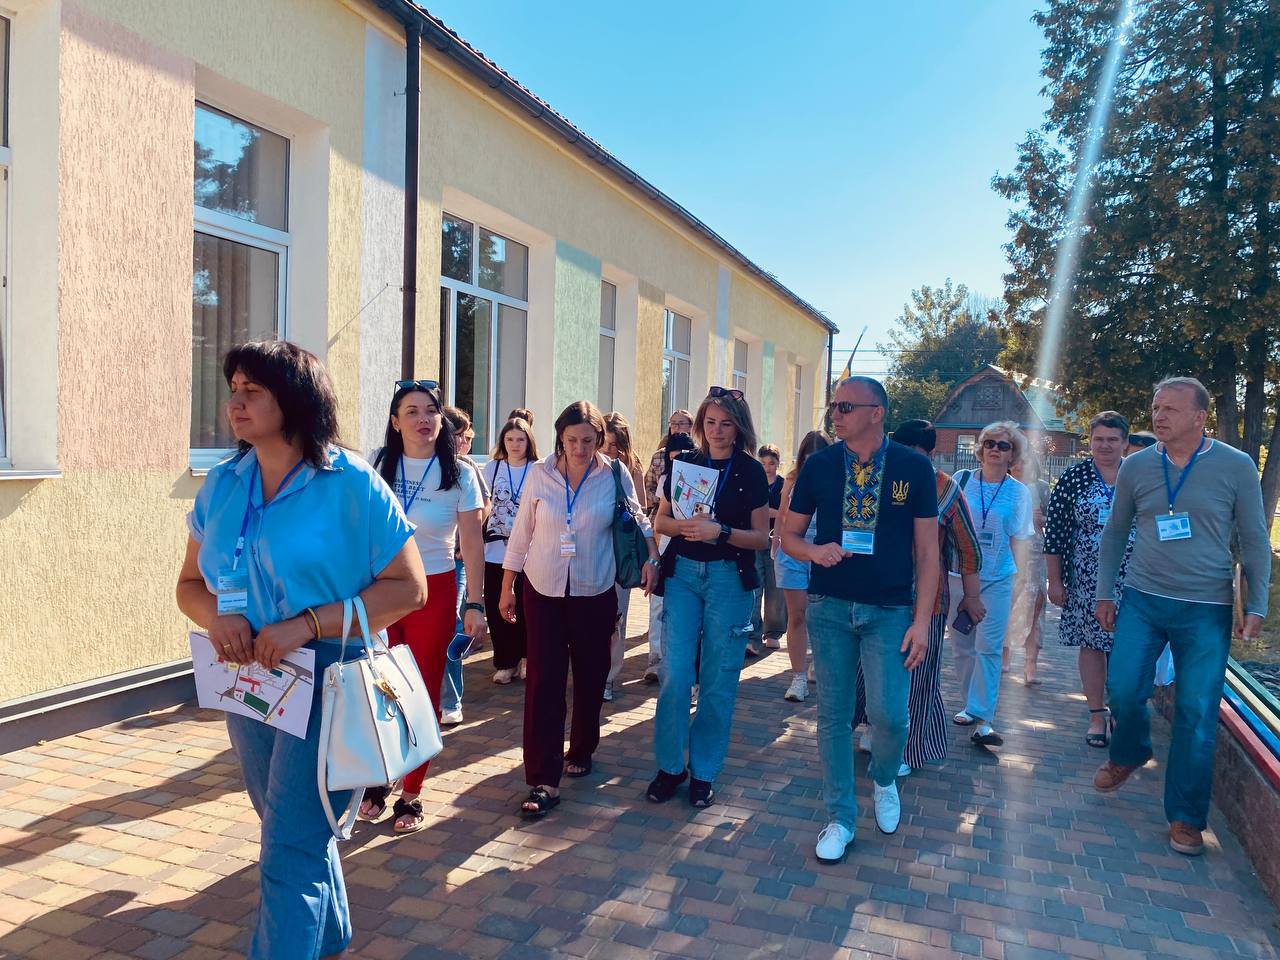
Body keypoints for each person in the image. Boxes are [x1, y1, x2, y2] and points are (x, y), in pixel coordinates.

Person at [176, 341, 428, 960]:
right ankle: (331, 935)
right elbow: (188, 586)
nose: (235, 403)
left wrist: (307, 624)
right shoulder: (223, 484)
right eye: (233, 390)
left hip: (331, 680)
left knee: (289, 845)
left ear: (293, 400)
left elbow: (410, 588)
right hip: (250, 683)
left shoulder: (350, 483)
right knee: (291, 828)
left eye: (252, 391)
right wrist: (218, 618)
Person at [1094, 377, 1271, 856]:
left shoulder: (1235, 466)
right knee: (1123, 688)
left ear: (1200, 417)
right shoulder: (1135, 466)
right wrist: (1105, 592)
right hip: (1143, 599)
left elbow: (1255, 538)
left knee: (1196, 712)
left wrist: (1257, 603)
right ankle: (1130, 751)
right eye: (1156, 407)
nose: (1159, 416)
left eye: (1170, 409)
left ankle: (1186, 818)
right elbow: (1116, 532)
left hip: (1206, 607)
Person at [782, 378, 939, 864]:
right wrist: (813, 551)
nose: (836, 414)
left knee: (890, 715)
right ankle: (841, 818)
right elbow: (788, 536)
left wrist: (922, 621)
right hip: (829, 606)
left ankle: (885, 777)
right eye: (833, 405)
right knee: (833, 716)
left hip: (890, 610)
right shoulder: (820, 465)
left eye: (846, 406)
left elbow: (928, 553)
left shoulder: (914, 467)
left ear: (877, 412)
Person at [500, 401, 659, 819]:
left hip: (595, 589)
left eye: (588, 440)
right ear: (560, 437)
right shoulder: (541, 473)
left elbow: (638, 519)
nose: (580, 448)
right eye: (572, 440)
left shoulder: (614, 473)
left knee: (590, 677)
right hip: (543, 589)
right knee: (544, 682)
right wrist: (506, 586)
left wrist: (652, 555)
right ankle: (543, 778)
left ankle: (583, 746)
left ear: (600, 439)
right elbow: (522, 532)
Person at [359, 384, 486, 832]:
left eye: (431, 411)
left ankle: (411, 793)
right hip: (380, 589)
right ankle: (380, 777)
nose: (422, 419)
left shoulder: (460, 473)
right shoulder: (379, 464)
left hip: (433, 589)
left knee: (421, 688)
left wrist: (475, 603)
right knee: (379, 686)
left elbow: (473, 544)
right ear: (396, 422)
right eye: (411, 411)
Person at [648, 388, 771, 809]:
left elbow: (761, 537)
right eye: (710, 422)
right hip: (683, 575)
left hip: (728, 579)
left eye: (726, 423)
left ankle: (703, 772)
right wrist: (688, 529)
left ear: (739, 427)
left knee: (718, 679)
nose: (717, 431)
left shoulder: (751, 471)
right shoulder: (685, 463)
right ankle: (670, 767)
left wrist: (721, 531)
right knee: (675, 674)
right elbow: (661, 520)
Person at [853, 419, 985, 774]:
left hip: (927, 602)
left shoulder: (945, 489)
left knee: (918, 677)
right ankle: (873, 728)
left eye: (914, 453)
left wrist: (972, 596)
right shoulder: (875, 478)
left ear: (930, 454)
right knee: (868, 669)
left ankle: (906, 751)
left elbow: (968, 548)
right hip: (874, 595)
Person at [1044, 411, 1133, 747]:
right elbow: (1055, 533)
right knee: (1093, 644)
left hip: (1136, 578)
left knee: (1130, 646)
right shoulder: (1075, 477)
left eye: (1112, 439)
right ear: (1090, 442)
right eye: (1099, 439)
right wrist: (1055, 581)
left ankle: (1123, 712)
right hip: (1086, 579)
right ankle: (1097, 714)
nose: (1105, 445)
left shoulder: (1139, 474)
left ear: (1125, 442)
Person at [948, 421, 1033, 748]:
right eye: (990, 443)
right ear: (981, 448)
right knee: (962, 646)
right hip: (958, 574)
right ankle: (970, 704)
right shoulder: (961, 480)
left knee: (989, 647)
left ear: (1013, 454)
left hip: (997, 578)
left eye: (1003, 445)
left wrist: (1019, 581)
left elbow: (1020, 540)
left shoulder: (1019, 492)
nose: (995, 449)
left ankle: (984, 718)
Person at [438, 405, 490, 725]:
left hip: (456, 562)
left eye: (466, 436)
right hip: (421, 564)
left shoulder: (467, 468)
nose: (464, 442)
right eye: (459, 436)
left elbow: (484, 505)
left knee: (451, 628)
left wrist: (464, 533)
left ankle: (450, 700)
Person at [774, 430, 832, 702]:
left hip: (825, 554)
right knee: (796, 615)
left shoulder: (839, 479)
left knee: (823, 617)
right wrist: (776, 541)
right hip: (793, 553)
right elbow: (782, 514)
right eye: (808, 460)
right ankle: (798, 677)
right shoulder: (792, 479)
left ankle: (817, 664)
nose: (813, 465)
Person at [483, 417, 538, 684]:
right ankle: (505, 661)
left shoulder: (538, 469)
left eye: (520, 439)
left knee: (527, 605)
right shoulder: (492, 468)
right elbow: (483, 505)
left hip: (529, 550)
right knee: (497, 605)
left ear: (529, 441)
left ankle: (527, 657)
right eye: (509, 439)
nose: (515, 444)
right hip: (496, 549)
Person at [643, 431, 697, 684]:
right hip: (666, 539)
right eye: (673, 459)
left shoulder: (701, 476)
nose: (679, 464)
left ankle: (683, 661)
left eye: (683, 458)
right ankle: (656, 656)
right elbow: (659, 518)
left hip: (694, 540)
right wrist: (655, 552)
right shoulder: (666, 478)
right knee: (657, 601)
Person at [602, 411, 647, 701]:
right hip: (590, 554)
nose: (608, 451)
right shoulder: (584, 465)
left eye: (614, 445)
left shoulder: (631, 467)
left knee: (616, 619)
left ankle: (608, 677)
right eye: (604, 443)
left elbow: (640, 511)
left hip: (621, 556)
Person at [1005, 446, 1049, 683]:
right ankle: (1004, 655)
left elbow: (1054, 520)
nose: (1020, 466)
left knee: (1035, 607)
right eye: (1017, 461)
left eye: (1025, 461)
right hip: (1008, 552)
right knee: (1007, 603)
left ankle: (1030, 663)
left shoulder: (1041, 488)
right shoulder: (1004, 486)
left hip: (1034, 552)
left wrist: (1041, 518)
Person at [751, 443, 788, 651]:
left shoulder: (783, 485)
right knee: (755, 586)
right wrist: (773, 512)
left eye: (771, 463)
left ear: (778, 463)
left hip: (777, 539)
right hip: (756, 538)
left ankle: (773, 632)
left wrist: (769, 512)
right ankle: (753, 633)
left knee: (775, 589)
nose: (767, 467)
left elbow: (785, 513)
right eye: (763, 463)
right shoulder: (754, 482)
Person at [644, 409, 694, 513]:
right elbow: (648, 487)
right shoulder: (659, 455)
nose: (676, 427)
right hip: (660, 511)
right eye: (673, 423)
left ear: (690, 427)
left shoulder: (698, 455)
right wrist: (663, 499)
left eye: (681, 423)